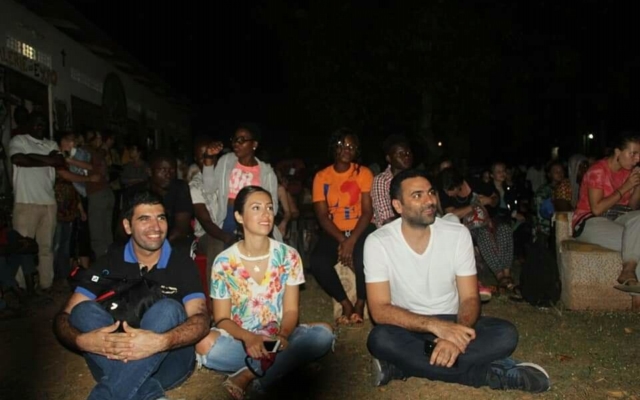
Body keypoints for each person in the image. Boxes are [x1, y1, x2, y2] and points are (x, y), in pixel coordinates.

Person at [364, 169, 550, 393]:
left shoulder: (457, 234)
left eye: (431, 192)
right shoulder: (378, 242)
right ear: (398, 206)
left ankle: (402, 367)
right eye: (417, 195)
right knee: (380, 338)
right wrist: (436, 327)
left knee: (505, 334)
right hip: (409, 326)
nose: (429, 200)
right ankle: (488, 375)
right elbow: (380, 310)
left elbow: (470, 297)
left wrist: (455, 336)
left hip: (455, 321)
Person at [53, 191, 210, 400]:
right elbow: (64, 317)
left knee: (168, 309)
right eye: (144, 219)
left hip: (167, 361)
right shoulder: (109, 262)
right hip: (112, 358)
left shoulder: (181, 264)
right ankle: (149, 393)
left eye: (160, 218)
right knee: (82, 311)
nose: (155, 227)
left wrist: (162, 341)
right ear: (128, 226)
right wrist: (81, 341)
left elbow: (201, 320)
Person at [195, 186, 334, 399]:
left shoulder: (288, 256)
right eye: (256, 208)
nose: (266, 214)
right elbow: (222, 318)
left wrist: (283, 335)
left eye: (269, 208)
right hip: (240, 340)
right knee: (204, 343)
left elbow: (290, 311)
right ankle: (288, 366)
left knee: (323, 335)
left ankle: (248, 374)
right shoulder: (224, 262)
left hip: (276, 338)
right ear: (239, 216)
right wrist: (249, 338)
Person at [311, 128, 374, 325]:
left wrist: (352, 240)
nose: (347, 149)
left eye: (351, 146)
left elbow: (367, 212)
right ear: (334, 147)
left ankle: (360, 303)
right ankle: (345, 303)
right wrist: (343, 240)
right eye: (342, 145)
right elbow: (322, 216)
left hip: (360, 228)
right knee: (318, 262)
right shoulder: (322, 177)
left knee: (363, 258)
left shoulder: (363, 173)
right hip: (334, 231)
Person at [572, 133, 640, 293]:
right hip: (590, 220)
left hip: (619, 217)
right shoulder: (598, 170)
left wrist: (637, 186)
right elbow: (597, 209)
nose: (637, 159)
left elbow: (632, 207)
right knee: (635, 242)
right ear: (617, 152)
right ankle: (629, 273)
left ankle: (629, 276)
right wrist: (625, 187)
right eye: (633, 154)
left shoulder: (628, 171)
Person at [9, 112, 66, 292]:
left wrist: (33, 158)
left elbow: (59, 161)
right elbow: (18, 159)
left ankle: (46, 284)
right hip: (25, 201)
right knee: (21, 247)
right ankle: (20, 286)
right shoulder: (19, 140)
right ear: (29, 124)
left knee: (46, 247)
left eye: (43, 123)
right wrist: (48, 160)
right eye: (36, 122)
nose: (40, 126)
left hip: (48, 203)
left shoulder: (51, 144)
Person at [211, 123, 280, 242]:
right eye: (234, 139)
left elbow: (273, 205)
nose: (236, 143)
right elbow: (210, 188)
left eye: (242, 140)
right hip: (227, 215)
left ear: (254, 144)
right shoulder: (226, 162)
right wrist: (208, 161)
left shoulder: (266, 172)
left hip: (253, 216)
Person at [121, 151, 194, 248]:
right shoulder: (136, 191)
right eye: (162, 170)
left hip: (173, 243)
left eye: (172, 170)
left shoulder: (180, 188)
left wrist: (155, 247)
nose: (168, 174)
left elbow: (181, 228)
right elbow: (123, 229)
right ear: (149, 171)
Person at [189, 136, 234, 281]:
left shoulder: (227, 178)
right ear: (196, 160)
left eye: (211, 156)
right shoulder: (195, 186)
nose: (207, 160)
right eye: (202, 157)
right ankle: (215, 291)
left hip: (230, 228)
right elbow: (206, 222)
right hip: (207, 235)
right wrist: (228, 238)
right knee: (217, 243)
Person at [371, 134, 414, 228]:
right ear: (389, 158)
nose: (406, 156)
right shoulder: (382, 181)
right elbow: (386, 220)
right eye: (400, 154)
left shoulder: (415, 178)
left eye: (408, 152)